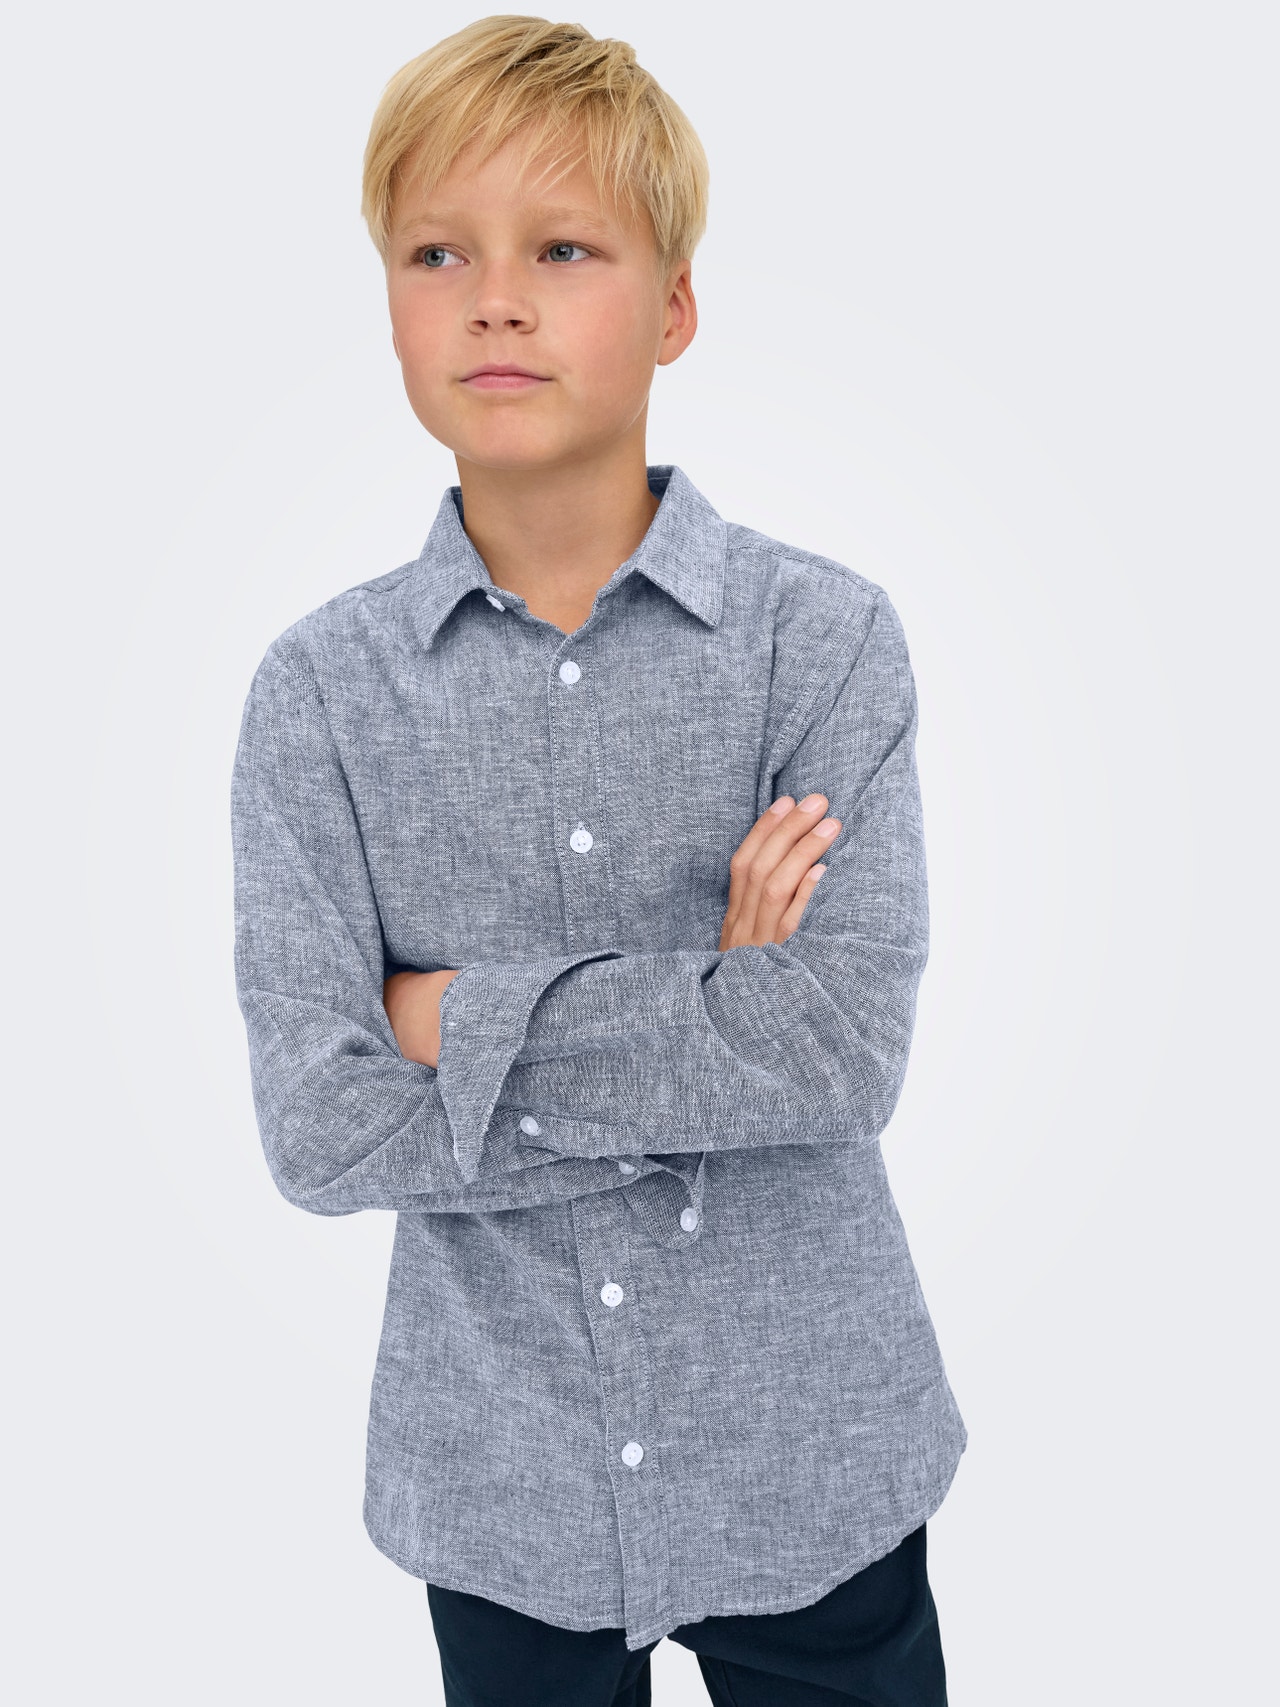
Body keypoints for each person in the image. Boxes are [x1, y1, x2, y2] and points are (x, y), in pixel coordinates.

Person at [229, 16, 968, 1705]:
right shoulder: (319, 697)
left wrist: (446, 1021)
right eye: (439, 254)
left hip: (814, 1449)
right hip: (502, 1477)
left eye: (562, 250)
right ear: (391, 303)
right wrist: (710, 1004)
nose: (496, 301)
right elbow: (320, 1128)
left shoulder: (820, 643)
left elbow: (839, 1055)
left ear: (676, 306)